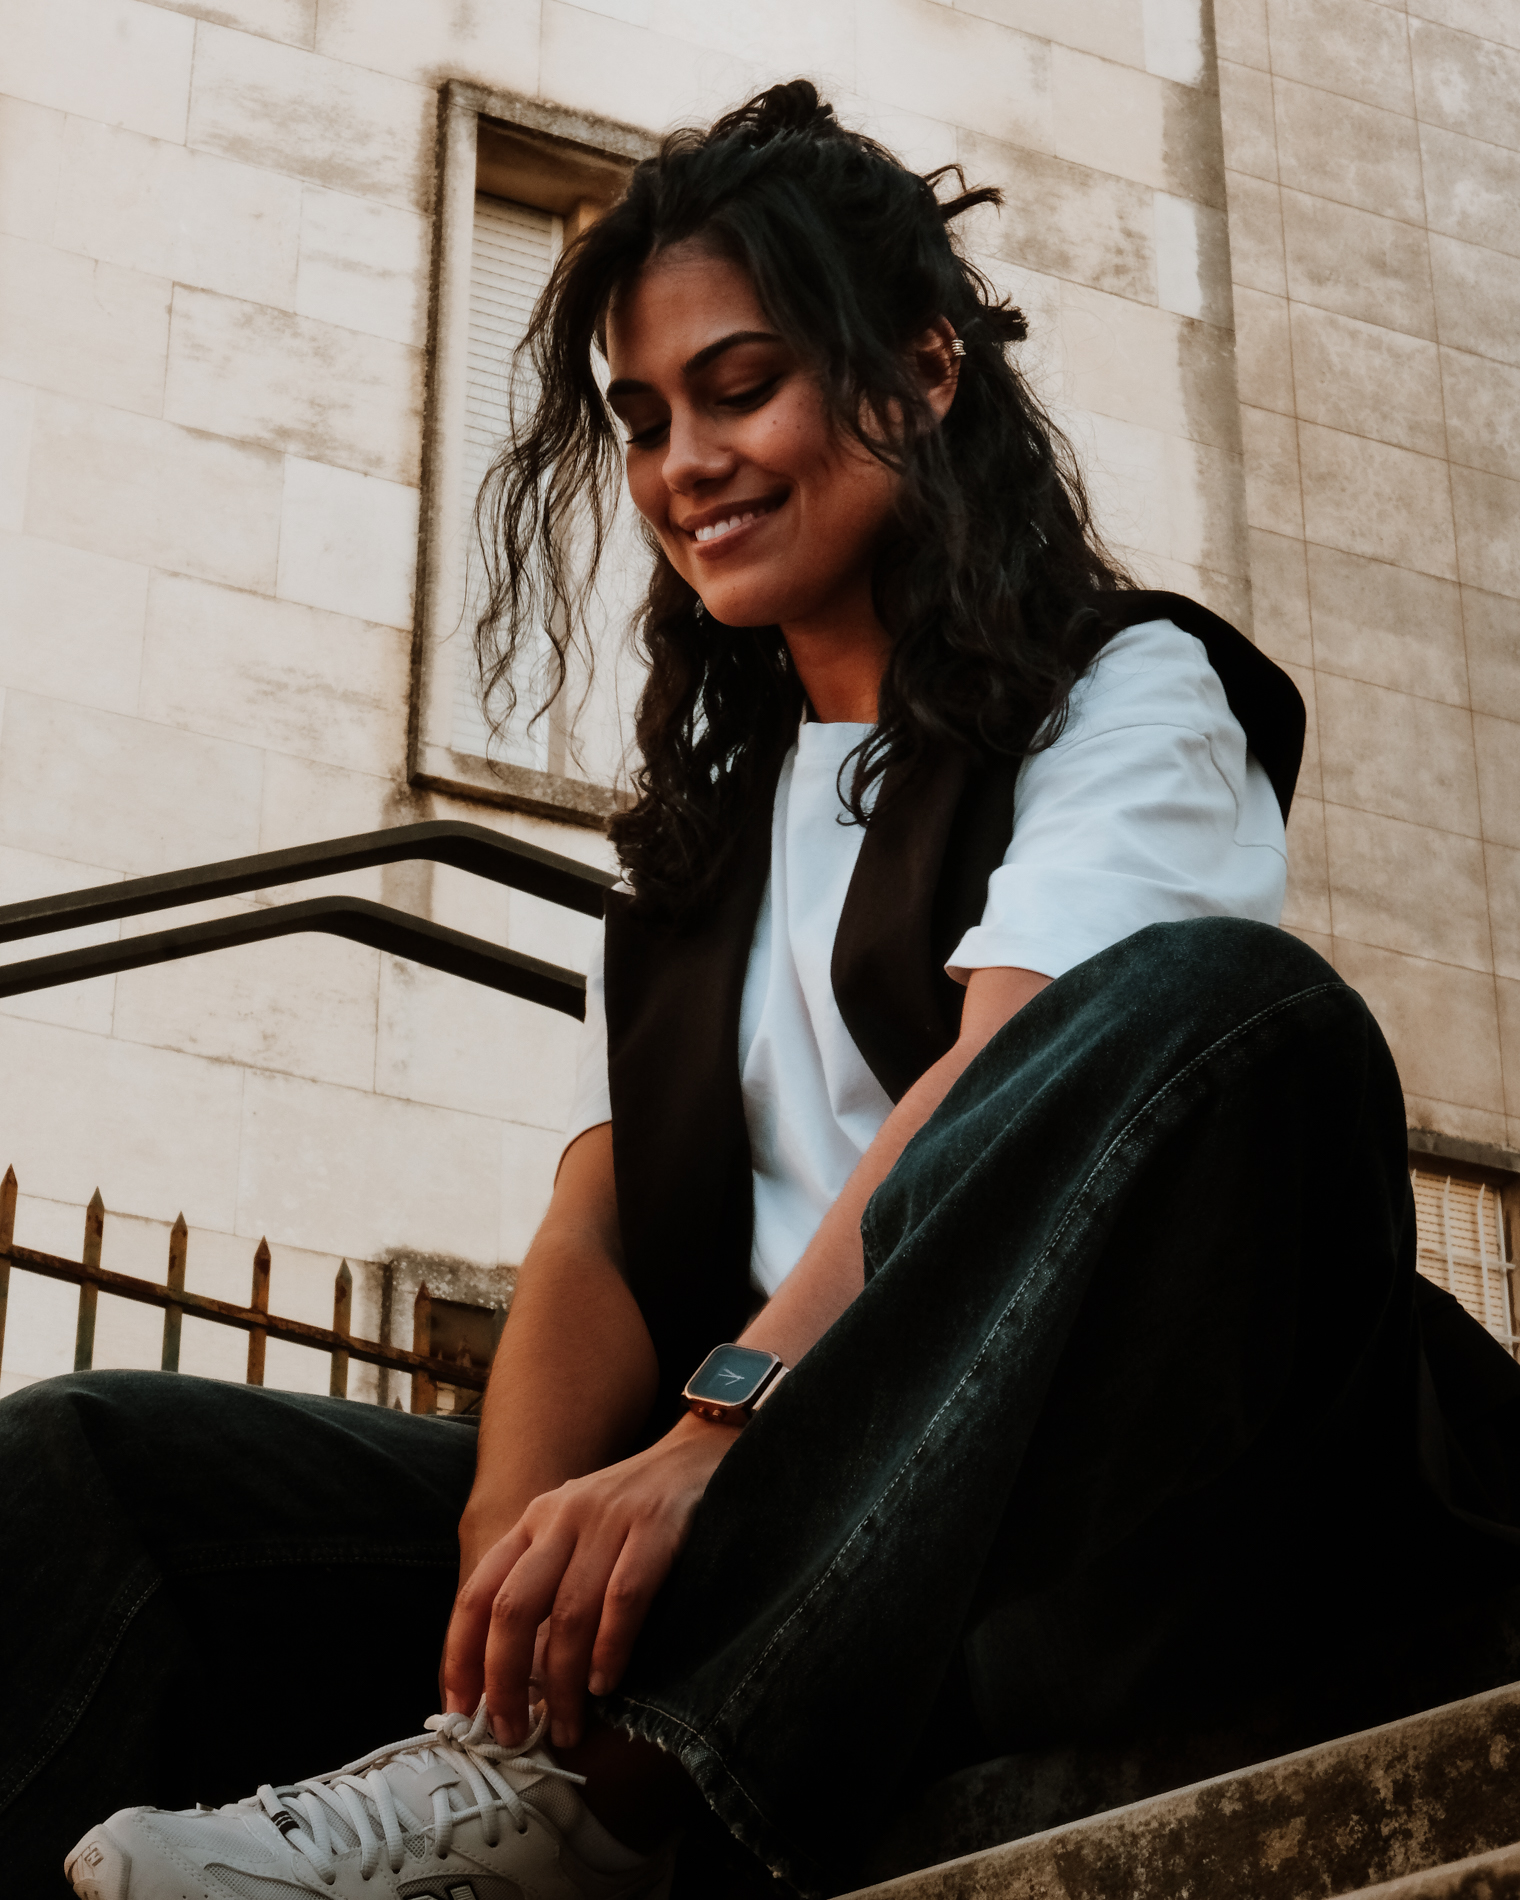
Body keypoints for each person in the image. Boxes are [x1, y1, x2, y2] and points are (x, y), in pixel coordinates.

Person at [19, 79, 1520, 1900]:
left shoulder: (1126, 698)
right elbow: (595, 1224)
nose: (681, 468)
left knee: (1226, 1008)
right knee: (95, 1467)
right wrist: (504, 1610)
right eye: (643, 422)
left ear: (924, 370)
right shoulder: (700, 845)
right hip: (760, 1535)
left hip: (1076, 1523)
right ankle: (525, 1775)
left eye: (741, 389)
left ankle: (637, 1797)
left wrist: (722, 1433)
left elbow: (995, 1088)